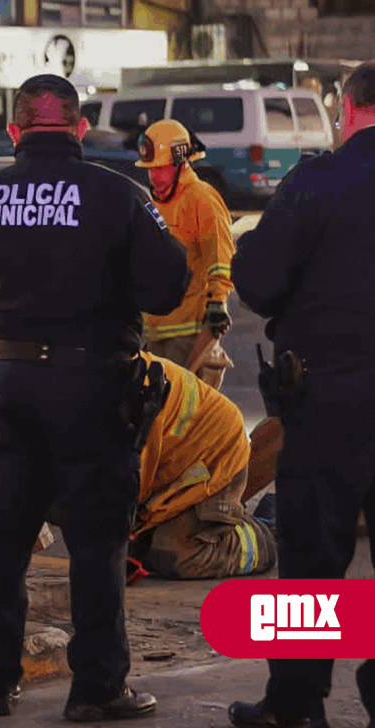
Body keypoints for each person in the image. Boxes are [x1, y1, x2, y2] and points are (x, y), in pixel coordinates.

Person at [0, 74, 189, 722]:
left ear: (14, 132)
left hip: (8, 380)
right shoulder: (116, 195)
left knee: (4, 539)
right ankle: (96, 690)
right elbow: (167, 286)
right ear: (78, 130)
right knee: (97, 543)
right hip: (94, 384)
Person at [227, 60, 375, 728]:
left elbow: (257, 281)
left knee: (313, 562)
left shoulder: (317, 183)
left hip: (329, 403)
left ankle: (296, 705)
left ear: (349, 109)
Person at [129, 351, 276, 580]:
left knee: (175, 557)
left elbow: (127, 482)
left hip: (215, 454)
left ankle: (260, 537)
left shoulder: (129, 389)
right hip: (171, 465)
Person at [135, 119, 235, 389]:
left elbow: (220, 255)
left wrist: (217, 302)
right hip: (154, 334)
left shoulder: (201, 198)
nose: (155, 177)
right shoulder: (154, 203)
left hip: (190, 335)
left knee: (183, 419)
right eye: (150, 170)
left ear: (181, 163)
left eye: (162, 169)